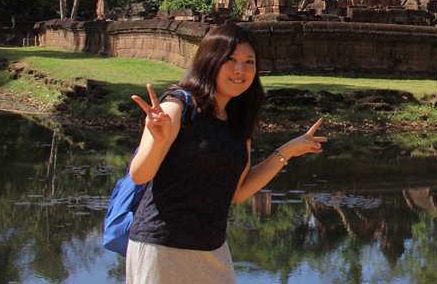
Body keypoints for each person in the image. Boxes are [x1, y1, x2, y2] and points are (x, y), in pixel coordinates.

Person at [125, 22, 326, 283]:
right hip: (162, 247)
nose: (240, 70)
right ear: (210, 60)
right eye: (230, 60)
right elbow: (140, 175)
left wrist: (286, 151)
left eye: (249, 62)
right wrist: (157, 140)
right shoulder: (178, 105)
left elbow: (238, 192)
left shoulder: (238, 119)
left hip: (213, 250)